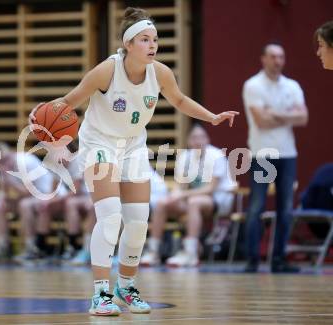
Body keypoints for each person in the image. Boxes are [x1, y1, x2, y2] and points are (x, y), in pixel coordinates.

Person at [30, 7, 238, 316]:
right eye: (144, 39)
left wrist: (212, 117)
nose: (153, 45)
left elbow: (179, 100)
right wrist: (40, 117)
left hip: (133, 145)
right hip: (99, 141)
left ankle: (125, 287)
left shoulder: (161, 73)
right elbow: (69, 102)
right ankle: (100, 293)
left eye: (155, 39)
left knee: (139, 222)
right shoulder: (106, 71)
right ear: (128, 43)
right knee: (111, 217)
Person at [242, 43, 308, 273]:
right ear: (263, 59)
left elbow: (303, 118)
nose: (277, 61)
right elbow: (261, 121)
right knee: (256, 207)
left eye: (281, 56)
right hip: (263, 154)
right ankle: (252, 260)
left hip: (288, 154)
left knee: (286, 209)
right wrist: (289, 116)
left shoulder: (292, 86)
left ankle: (278, 260)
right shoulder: (253, 85)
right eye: (273, 56)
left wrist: (275, 114)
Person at [141, 124, 235, 267]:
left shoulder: (217, 156)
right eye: (195, 138)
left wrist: (183, 194)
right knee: (162, 203)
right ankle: (153, 252)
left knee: (194, 202)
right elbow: (180, 185)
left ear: (207, 139)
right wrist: (174, 195)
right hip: (193, 199)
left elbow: (210, 189)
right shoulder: (185, 157)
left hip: (220, 199)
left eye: (202, 137)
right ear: (189, 141)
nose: (199, 141)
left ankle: (190, 253)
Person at [0, 142, 55, 263]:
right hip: (31, 197)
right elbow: (3, 191)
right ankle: (2, 247)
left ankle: (30, 247)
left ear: (11, 153)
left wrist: (9, 180)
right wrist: (0, 201)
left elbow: (28, 192)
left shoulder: (26, 162)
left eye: (5, 160)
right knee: (0, 208)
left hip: (46, 195)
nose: (4, 164)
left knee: (24, 205)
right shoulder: (4, 166)